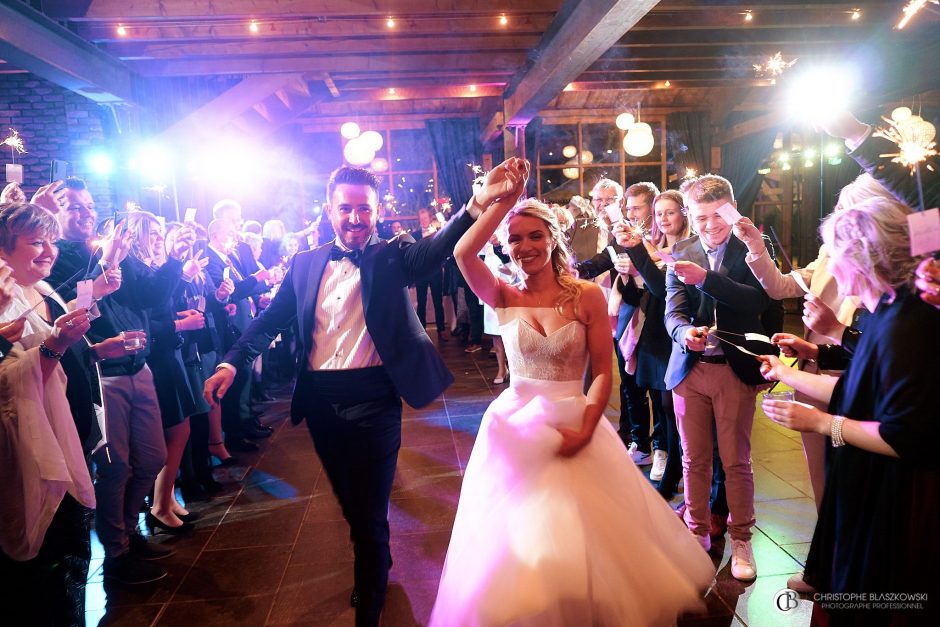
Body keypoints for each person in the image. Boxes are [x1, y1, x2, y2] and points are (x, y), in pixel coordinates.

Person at [203, 164, 493, 626]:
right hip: (320, 401)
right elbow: (271, 319)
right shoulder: (304, 263)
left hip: (375, 396)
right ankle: (373, 555)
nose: (356, 219)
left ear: (377, 212)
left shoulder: (392, 256)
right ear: (329, 210)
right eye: (346, 209)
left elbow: (436, 250)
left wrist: (476, 205)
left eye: (364, 209)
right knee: (352, 501)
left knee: (371, 507)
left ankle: (371, 596)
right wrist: (230, 361)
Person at [431, 162, 713, 625]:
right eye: (515, 238)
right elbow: (463, 253)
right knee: (520, 527)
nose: (525, 247)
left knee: (581, 530)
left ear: (553, 240)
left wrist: (587, 425)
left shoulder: (585, 295)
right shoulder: (502, 295)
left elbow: (603, 370)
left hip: (573, 418)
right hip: (513, 427)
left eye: (535, 236)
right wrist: (502, 201)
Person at [758, 195, 939, 625]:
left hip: (893, 496)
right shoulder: (883, 314)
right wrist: (789, 374)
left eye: (834, 255)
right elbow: (863, 389)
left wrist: (823, 423)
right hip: (866, 481)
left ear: (864, 258)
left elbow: (906, 436)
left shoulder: (905, 325)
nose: (830, 268)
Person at [664, 174, 776, 581]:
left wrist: (707, 279)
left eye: (716, 216)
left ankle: (742, 538)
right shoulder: (681, 249)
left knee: (736, 461)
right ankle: (697, 535)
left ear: (731, 211)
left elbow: (760, 300)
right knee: (694, 459)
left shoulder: (751, 248)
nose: (709, 225)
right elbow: (672, 309)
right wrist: (683, 333)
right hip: (690, 369)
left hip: (733, 369)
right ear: (690, 217)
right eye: (700, 217)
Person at [613, 189, 691, 498]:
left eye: (669, 212)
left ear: (683, 213)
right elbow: (642, 295)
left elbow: (661, 288)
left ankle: (674, 469)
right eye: (659, 214)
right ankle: (672, 469)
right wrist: (631, 273)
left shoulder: (688, 249)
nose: (663, 219)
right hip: (654, 333)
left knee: (672, 408)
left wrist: (637, 255)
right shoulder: (657, 246)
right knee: (662, 404)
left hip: (676, 334)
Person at [412, 208, 448, 342]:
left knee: (438, 302)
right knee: (421, 302)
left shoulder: (437, 233)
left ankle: (441, 330)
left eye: (425, 218)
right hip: (421, 273)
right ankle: (422, 331)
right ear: (419, 220)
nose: (424, 221)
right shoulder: (415, 235)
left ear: (429, 218)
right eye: (421, 219)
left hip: (435, 272)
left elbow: (442, 251)